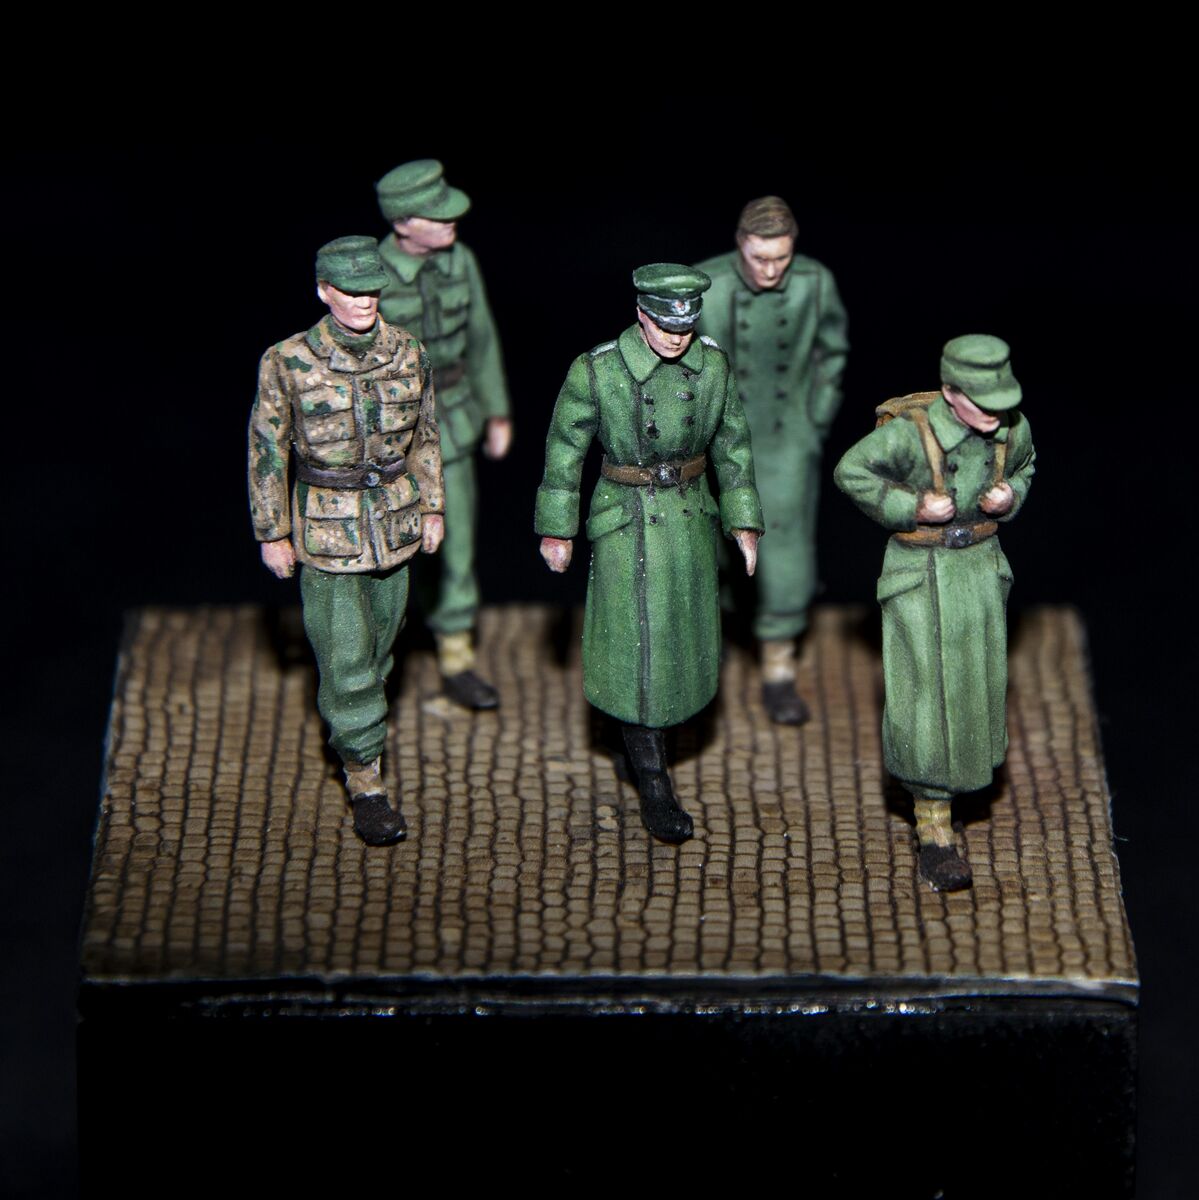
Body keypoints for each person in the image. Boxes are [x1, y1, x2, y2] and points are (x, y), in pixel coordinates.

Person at [536, 264, 764, 843]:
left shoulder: (712, 367)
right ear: (641, 314)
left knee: (680, 645)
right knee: (636, 650)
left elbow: (733, 445)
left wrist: (743, 520)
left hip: (688, 519)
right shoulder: (599, 369)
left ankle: (644, 744)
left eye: (685, 328)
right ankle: (654, 780)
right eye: (665, 326)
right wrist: (557, 529)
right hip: (626, 521)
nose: (676, 338)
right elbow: (565, 450)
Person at [249, 236, 445, 845]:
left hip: (395, 524)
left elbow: (426, 435)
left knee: (382, 649)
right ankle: (366, 781)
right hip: (327, 532)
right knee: (346, 659)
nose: (363, 302)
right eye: (349, 291)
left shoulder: (408, 352)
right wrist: (273, 532)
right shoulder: (287, 360)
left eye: (371, 291)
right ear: (323, 291)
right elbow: (267, 450)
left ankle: (364, 729)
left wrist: (433, 506)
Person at [834, 334, 1034, 890]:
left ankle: (962, 784)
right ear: (951, 393)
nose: (995, 415)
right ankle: (933, 824)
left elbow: (1026, 465)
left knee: (977, 688)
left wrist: (1011, 497)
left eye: (1001, 401)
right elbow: (851, 472)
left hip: (979, 573)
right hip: (921, 576)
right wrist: (912, 506)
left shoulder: (1012, 430)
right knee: (925, 697)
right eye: (982, 402)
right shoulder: (909, 436)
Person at [696, 196, 848, 724]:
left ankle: (778, 667)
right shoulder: (706, 283)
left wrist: (816, 419)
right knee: (711, 542)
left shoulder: (814, 284)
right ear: (741, 244)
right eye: (760, 258)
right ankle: (706, 648)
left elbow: (832, 351)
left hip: (787, 439)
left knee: (785, 554)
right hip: (716, 439)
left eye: (781, 258)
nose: (770, 271)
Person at [375, 159, 512, 710]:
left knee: (456, 542)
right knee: (389, 546)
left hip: (453, 418)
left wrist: (497, 411)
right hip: (389, 434)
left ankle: (456, 653)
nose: (452, 220)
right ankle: (377, 661)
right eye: (437, 215)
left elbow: (481, 336)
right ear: (404, 223)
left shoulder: (462, 261)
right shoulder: (371, 277)